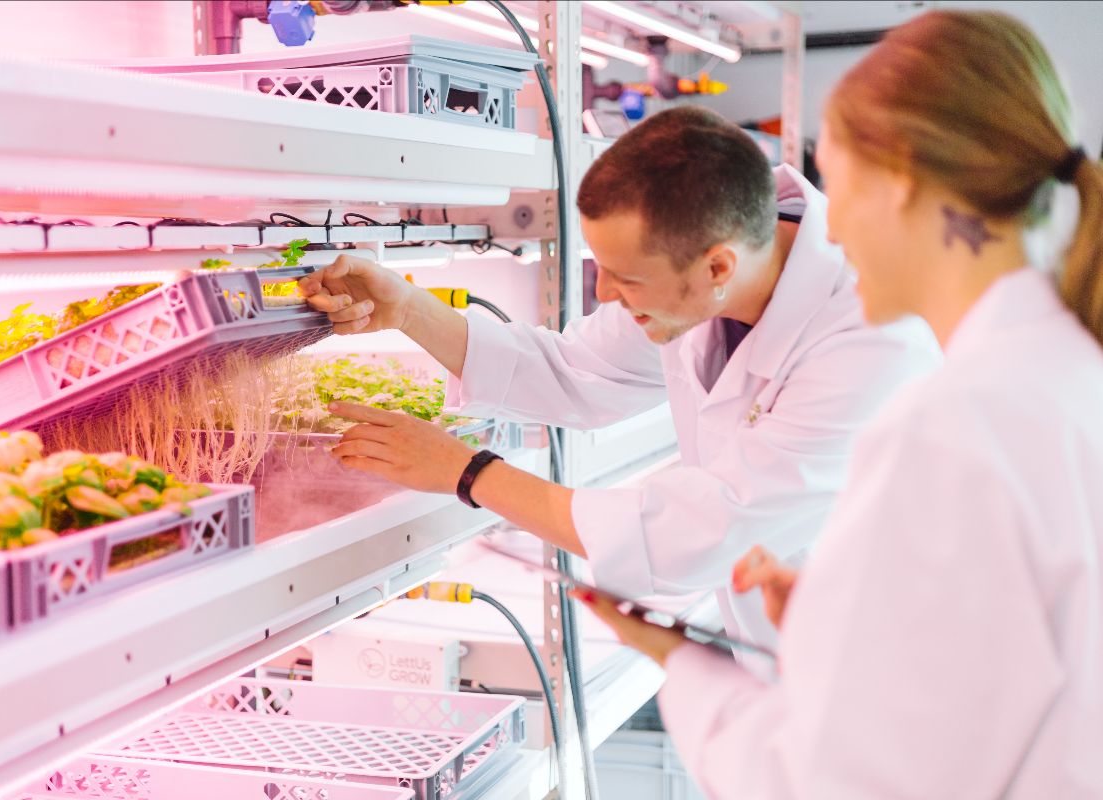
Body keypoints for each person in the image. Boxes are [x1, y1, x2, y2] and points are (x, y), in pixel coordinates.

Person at [583, 10, 1103, 798]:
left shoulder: (954, 426)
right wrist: (841, 632)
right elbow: (998, 666)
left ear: (897, 186)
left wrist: (683, 663)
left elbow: (831, 781)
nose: (830, 224)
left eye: (837, 179)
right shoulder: (1063, 375)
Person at [302, 107, 939, 652]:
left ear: (718, 265)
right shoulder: (715, 269)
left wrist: (468, 473)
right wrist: (408, 309)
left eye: (627, 278)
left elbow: (697, 534)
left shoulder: (871, 345)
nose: (605, 293)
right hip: (790, 659)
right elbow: (575, 369)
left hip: (889, 679)